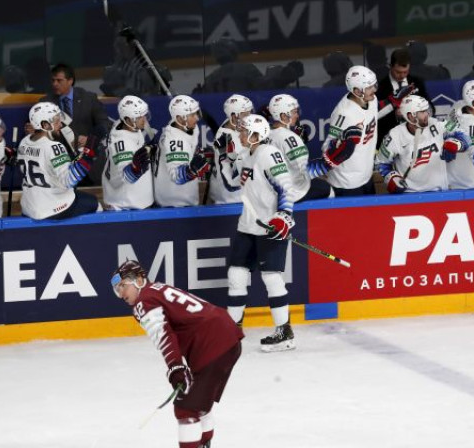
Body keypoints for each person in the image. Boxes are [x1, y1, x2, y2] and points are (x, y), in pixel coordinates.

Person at [112, 259, 243, 448]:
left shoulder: (144, 301)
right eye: (117, 289)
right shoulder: (157, 289)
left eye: (123, 286)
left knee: (185, 409)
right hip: (226, 335)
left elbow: (163, 334)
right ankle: (204, 444)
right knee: (198, 403)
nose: (121, 293)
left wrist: (175, 368)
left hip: (212, 344)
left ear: (139, 280)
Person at [218, 114, 298, 351]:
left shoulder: (269, 155)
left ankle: (285, 333)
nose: (240, 135)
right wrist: (224, 157)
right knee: (236, 275)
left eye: (244, 132)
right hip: (248, 225)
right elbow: (231, 184)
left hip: (270, 226)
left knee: (272, 278)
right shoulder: (247, 155)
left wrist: (284, 216)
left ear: (256, 135)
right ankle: (232, 330)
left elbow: (287, 188)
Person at [18, 102, 100, 220]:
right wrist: (88, 155)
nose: (60, 124)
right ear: (45, 125)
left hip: (29, 206)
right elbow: (70, 180)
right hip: (52, 206)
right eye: (56, 121)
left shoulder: (24, 141)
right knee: (95, 204)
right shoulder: (53, 146)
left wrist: (79, 155)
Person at [39, 63, 111, 185]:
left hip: (86, 163)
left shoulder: (88, 98)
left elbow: (105, 124)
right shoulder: (45, 102)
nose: (55, 84)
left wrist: (90, 140)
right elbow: (37, 128)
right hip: (59, 164)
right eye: (53, 80)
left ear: (70, 81)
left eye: (59, 80)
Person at [323, 65, 381, 197]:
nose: (374, 90)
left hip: (366, 176)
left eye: (374, 85)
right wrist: (341, 143)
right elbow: (327, 146)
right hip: (346, 183)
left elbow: (371, 117)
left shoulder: (372, 100)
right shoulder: (344, 114)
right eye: (369, 87)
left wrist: (393, 103)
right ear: (357, 91)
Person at [267, 93, 336, 201]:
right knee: (328, 189)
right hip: (290, 193)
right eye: (294, 112)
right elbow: (303, 170)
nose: (297, 115)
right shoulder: (289, 138)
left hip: (271, 190)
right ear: (283, 116)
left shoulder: (266, 134)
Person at [376, 95, 449, 193]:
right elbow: (381, 162)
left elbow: (459, 131)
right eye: (422, 112)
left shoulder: (435, 124)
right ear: (411, 116)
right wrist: (392, 178)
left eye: (426, 110)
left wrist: (456, 143)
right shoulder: (395, 135)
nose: (427, 114)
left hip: (440, 193)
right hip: (410, 195)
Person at [154, 95, 210, 207]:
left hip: (183, 198)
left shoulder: (184, 126)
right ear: (179, 119)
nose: (197, 118)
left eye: (196, 113)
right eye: (192, 115)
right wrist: (192, 170)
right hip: (174, 203)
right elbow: (177, 176)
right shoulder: (174, 139)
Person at [102, 95, 154, 210]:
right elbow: (122, 176)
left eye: (144, 115)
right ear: (127, 120)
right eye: (139, 116)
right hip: (125, 206)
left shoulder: (133, 130)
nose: (144, 119)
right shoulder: (120, 142)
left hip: (137, 202)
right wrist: (134, 169)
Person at [376, 49, 433, 148]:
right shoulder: (380, 87)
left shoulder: (417, 82)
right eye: (398, 72)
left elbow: (431, 108)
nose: (402, 75)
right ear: (390, 66)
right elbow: (375, 116)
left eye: (405, 72)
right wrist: (395, 114)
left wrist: (420, 113)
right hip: (390, 140)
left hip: (417, 139)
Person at [208, 94, 254, 205]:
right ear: (234, 117)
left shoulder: (231, 125)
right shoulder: (227, 141)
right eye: (246, 114)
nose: (250, 117)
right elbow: (233, 177)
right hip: (231, 200)